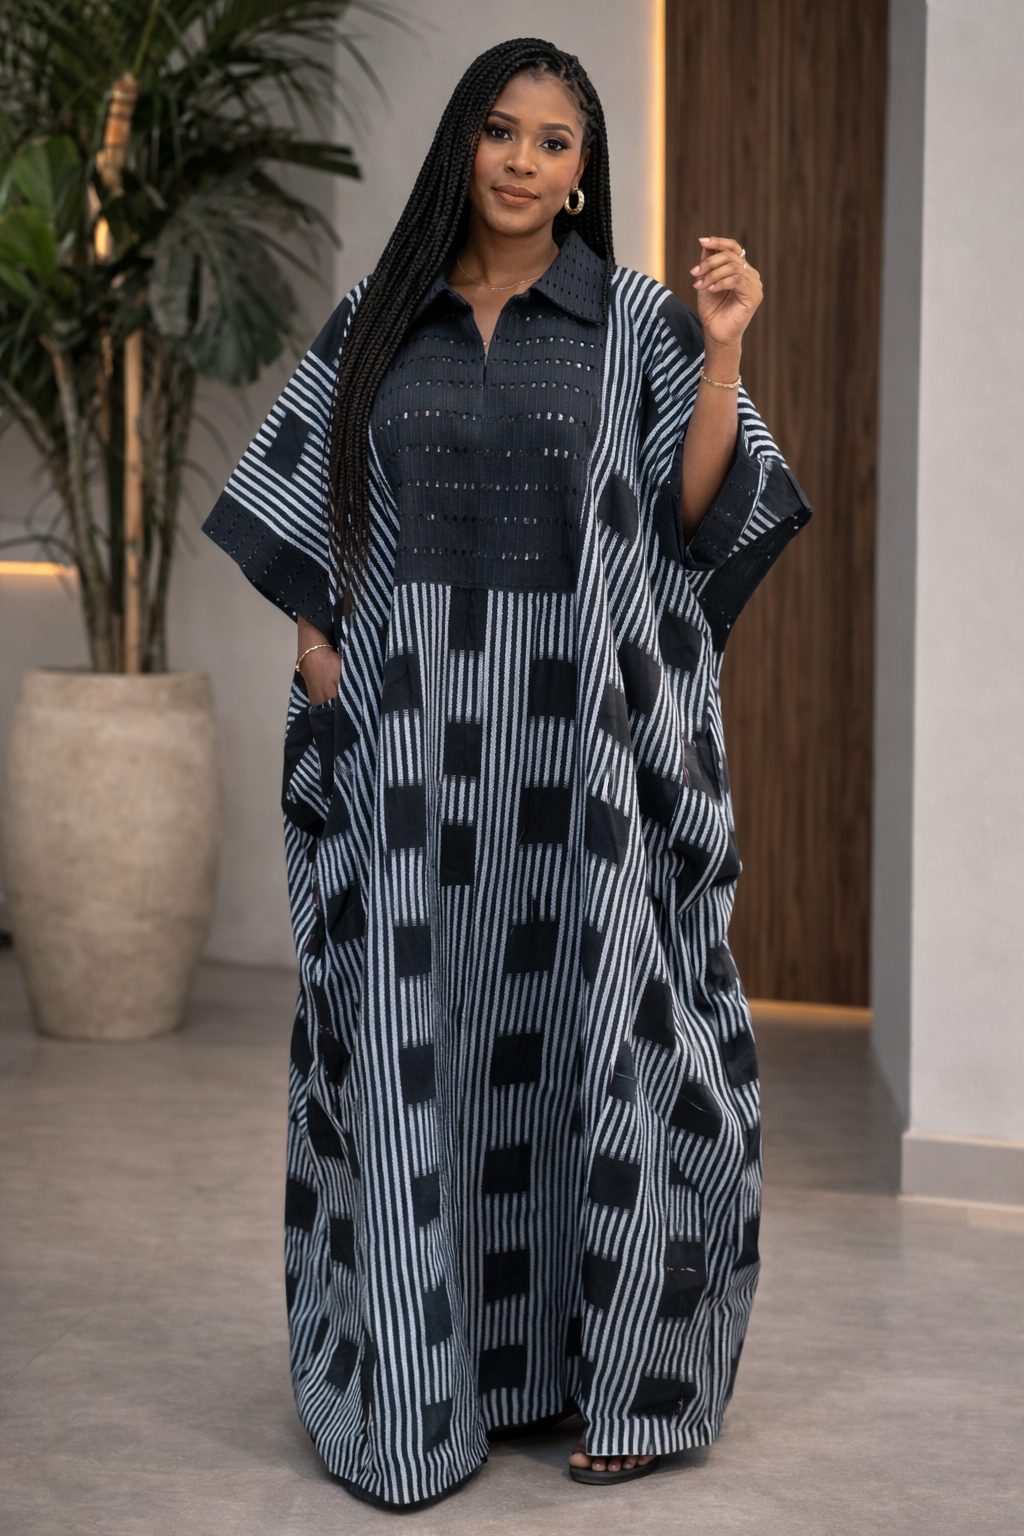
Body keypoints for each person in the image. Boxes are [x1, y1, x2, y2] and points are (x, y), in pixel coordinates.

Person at [204, 37, 810, 1511]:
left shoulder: (635, 324)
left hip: (582, 751)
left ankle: (620, 1377)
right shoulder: (381, 320)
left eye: (554, 141)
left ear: (583, 171)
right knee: (425, 1051)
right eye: (502, 131)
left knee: (600, 1042)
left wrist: (725, 348)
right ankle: (427, 1389)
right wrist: (314, 638)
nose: (525, 162)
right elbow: (318, 484)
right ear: (466, 147)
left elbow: (696, 510)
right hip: (415, 758)